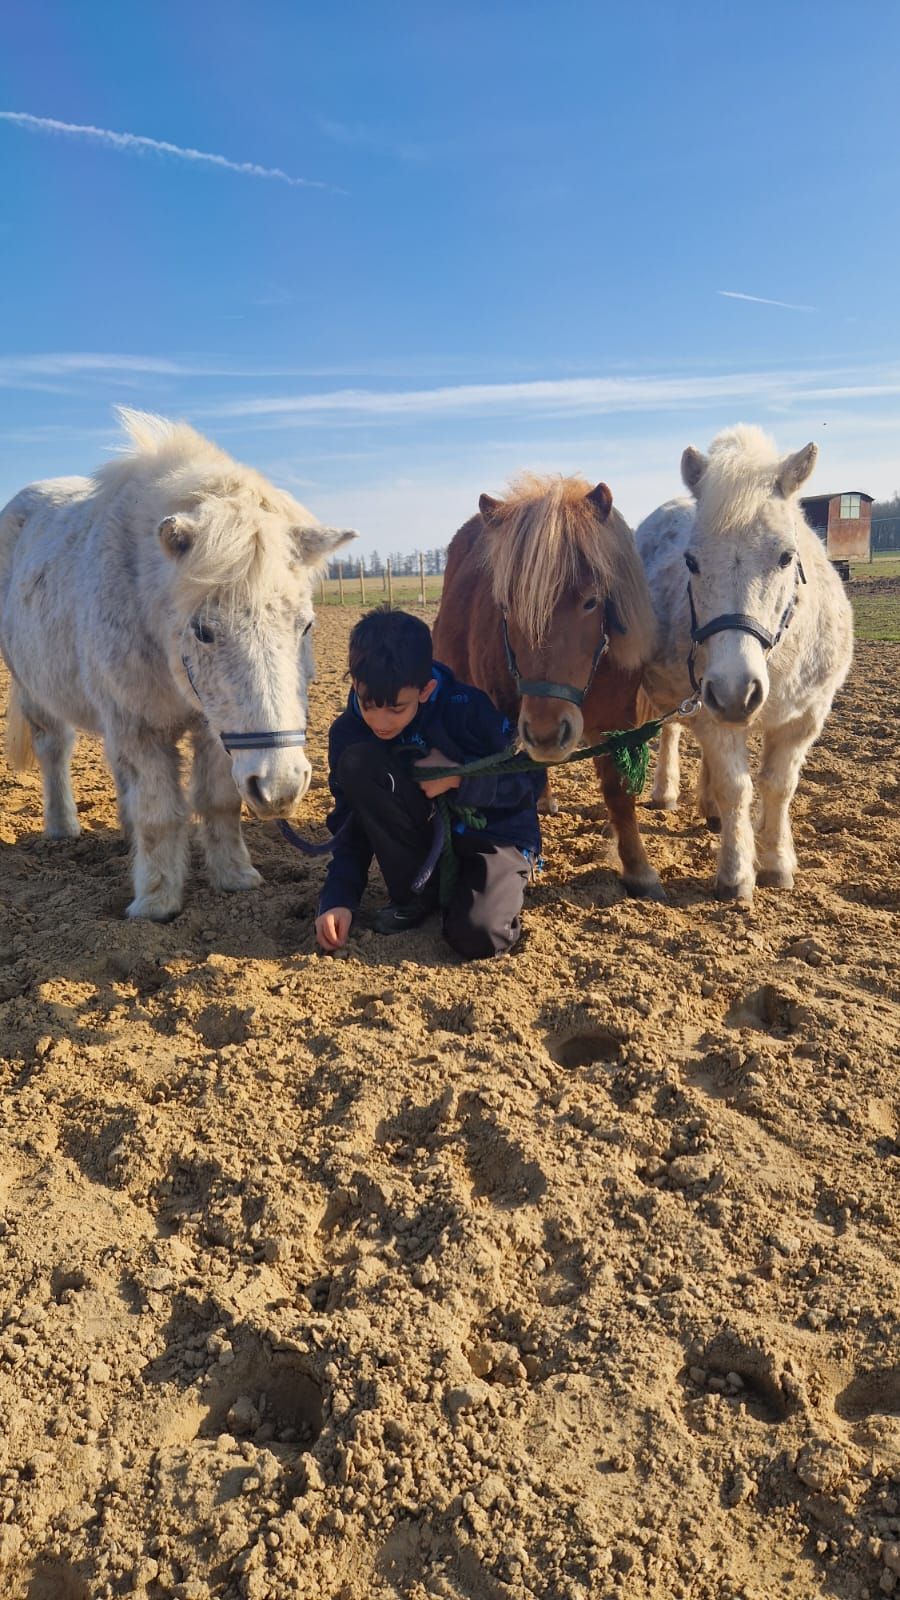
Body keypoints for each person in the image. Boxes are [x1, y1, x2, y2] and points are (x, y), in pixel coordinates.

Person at [314, 606, 544, 960]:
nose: (381, 721)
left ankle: (494, 885)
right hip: (422, 840)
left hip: (493, 835)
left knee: (478, 937)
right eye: (369, 703)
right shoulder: (349, 732)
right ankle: (417, 896)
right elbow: (351, 822)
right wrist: (338, 898)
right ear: (355, 685)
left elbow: (527, 781)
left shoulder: (468, 708)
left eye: (396, 708)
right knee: (358, 761)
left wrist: (458, 777)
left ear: (426, 689)